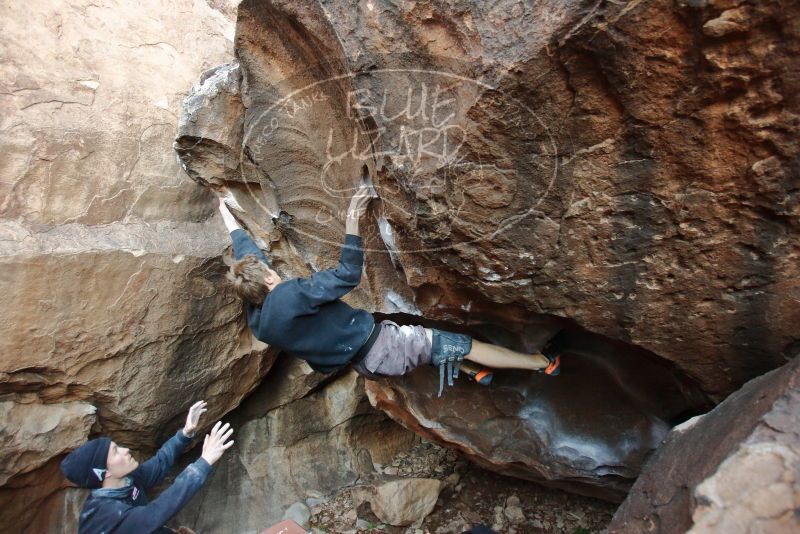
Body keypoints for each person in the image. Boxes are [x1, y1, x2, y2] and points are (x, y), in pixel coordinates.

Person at [216, 179, 562, 396]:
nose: (271, 269)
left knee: (424, 348)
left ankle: (477, 373)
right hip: (387, 346)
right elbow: (347, 275)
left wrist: (227, 215)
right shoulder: (288, 296)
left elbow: (248, 261)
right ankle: (540, 362)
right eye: (267, 271)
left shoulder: (260, 322)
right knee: (463, 344)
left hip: (365, 362)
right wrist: (353, 220)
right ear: (266, 279)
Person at [60, 400, 233, 533]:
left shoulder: (127, 480)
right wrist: (203, 463)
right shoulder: (102, 515)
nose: (125, 450)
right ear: (104, 474)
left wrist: (185, 433)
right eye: (115, 452)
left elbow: (159, 463)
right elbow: (153, 515)